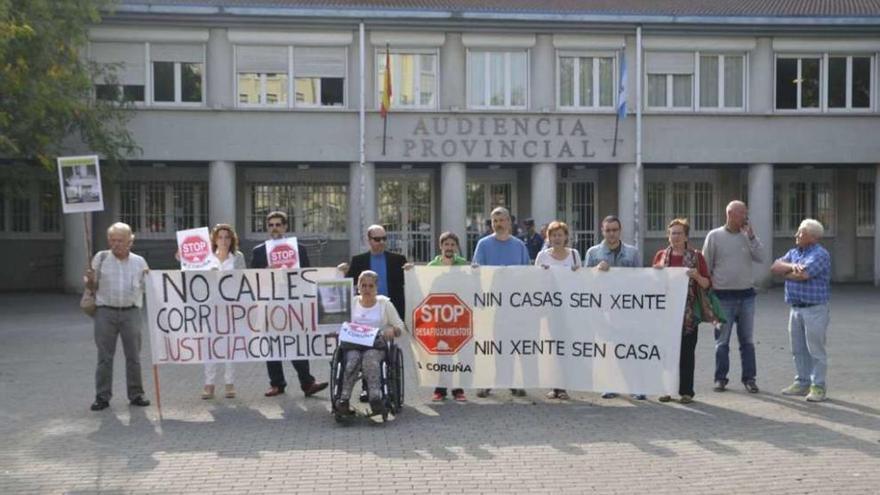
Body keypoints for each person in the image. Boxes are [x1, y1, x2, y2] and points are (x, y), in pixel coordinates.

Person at [252, 211, 328, 398]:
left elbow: (307, 275)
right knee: (272, 344)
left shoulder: (298, 249)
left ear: (285, 227)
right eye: (271, 225)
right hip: (269, 303)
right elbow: (251, 278)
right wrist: (264, 271)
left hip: (293, 303)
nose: (275, 228)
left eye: (278, 224)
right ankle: (277, 384)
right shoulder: (259, 251)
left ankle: (307, 383)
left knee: (296, 341)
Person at [86, 222, 151, 411]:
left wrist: (150, 278)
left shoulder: (139, 262)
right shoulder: (101, 258)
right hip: (105, 312)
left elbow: (149, 287)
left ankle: (136, 394)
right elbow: (91, 288)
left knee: (134, 356)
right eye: (112, 240)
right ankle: (102, 397)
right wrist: (90, 280)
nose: (116, 244)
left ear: (130, 241)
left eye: (120, 241)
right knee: (105, 357)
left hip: (131, 312)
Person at [653, 218, 718, 404]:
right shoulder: (660, 256)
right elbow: (652, 284)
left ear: (686, 236)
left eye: (679, 233)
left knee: (686, 352)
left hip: (688, 313)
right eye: (672, 233)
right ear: (668, 236)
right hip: (665, 313)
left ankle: (686, 391)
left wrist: (696, 275)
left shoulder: (696, 257)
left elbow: (707, 284)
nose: (675, 237)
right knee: (666, 352)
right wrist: (655, 273)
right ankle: (666, 389)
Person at [702, 200, 764, 394]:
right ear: (730, 214)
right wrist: (708, 296)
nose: (745, 217)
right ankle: (720, 378)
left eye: (746, 213)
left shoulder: (747, 236)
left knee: (747, 341)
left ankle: (750, 378)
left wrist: (752, 237)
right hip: (722, 298)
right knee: (722, 341)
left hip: (747, 296)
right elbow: (705, 265)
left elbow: (761, 257)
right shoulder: (714, 236)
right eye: (742, 214)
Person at [584, 215, 645, 400]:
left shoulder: (633, 253)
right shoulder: (593, 253)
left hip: (627, 310)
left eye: (614, 230)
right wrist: (596, 271)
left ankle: (636, 387)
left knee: (630, 350)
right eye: (608, 230)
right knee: (608, 350)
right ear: (602, 231)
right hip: (604, 310)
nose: (611, 233)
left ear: (620, 231)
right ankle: (609, 385)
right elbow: (585, 281)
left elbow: (640, 279)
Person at [771, 219, 832, 402]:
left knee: (815, 350)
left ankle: (818, 386)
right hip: (796, 308)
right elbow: (774, 267)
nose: (796, 235)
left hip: (814, 309)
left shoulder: (820, 254)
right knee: (798, 349)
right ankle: (802, 382)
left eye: (801, 233)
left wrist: (787, 273)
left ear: (813, 237)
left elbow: (803, 275)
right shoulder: (795, 253)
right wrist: (791, 267)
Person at [473, 206, 530, 398]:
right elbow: (477, 273)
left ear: (509, 222)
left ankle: (512, 382)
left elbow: (527, 273)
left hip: (513, 306)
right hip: (491, 304)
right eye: (494, 221)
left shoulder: (519, 246)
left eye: (501, 220)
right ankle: (487, 382)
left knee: (512, 345)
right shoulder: (483, 244)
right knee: (490, 345)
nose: (498, 224)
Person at [335, 271, 406, 420]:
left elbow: (400, 325)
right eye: (363, 285)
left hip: (375, 345)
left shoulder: (384, 304)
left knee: (370, 360)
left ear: (376, 287)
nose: (367, 289)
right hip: (353, 345)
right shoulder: (352, 302)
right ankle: (343, 400)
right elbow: (337, 321)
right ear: (358, 287)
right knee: (352, 361)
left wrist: (393, 330)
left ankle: (375, 399)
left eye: (370, 286)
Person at [534, 221, 580, 401]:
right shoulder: (542, 256)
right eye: (553, 235)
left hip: (569, 310)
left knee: (566, 348)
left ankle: (564, 386)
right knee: (552, 348)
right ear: (548, 238)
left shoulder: (574, 255)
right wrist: (541, 273)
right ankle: (555, 386)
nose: (557, 238)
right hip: (548, 310)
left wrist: (578, 272)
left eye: (560, 235)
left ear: (566, 236)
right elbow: (534, 281)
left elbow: (582, 281)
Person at [201, 224, 246, 400]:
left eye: (227, 237)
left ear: (232, 239)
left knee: (229, 345)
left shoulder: (237, 257)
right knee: (210, 345)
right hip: (210, 307)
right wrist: (182, 259)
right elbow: (191, 277)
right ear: (214, 239)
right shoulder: (206, 258)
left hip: (230, 307)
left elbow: (244, 280)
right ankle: (209, 383)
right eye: (220, 237)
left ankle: (229, 383)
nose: (224, 241)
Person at [426, 231, 469, 402]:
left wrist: (475, 272)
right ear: (441, 246)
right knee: (442, 353)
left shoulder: (464, 265)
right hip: (439, 316)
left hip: (458, 316)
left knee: (459, 352)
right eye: (446, 244)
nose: (449, 248)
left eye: (452, 245)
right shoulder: (431, 267)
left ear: (456, 247)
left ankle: (458, 390)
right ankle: (440, 389)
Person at [338, 224, 407, 320]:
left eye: (384, 238)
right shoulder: (358, 261)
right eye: (377, 239)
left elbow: (409, 283)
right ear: (369, 240)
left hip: (391, 311)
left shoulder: (398, 260)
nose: (382, 242)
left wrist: (411, 271)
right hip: (365, 313)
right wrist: (343, 272)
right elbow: (349, 285)